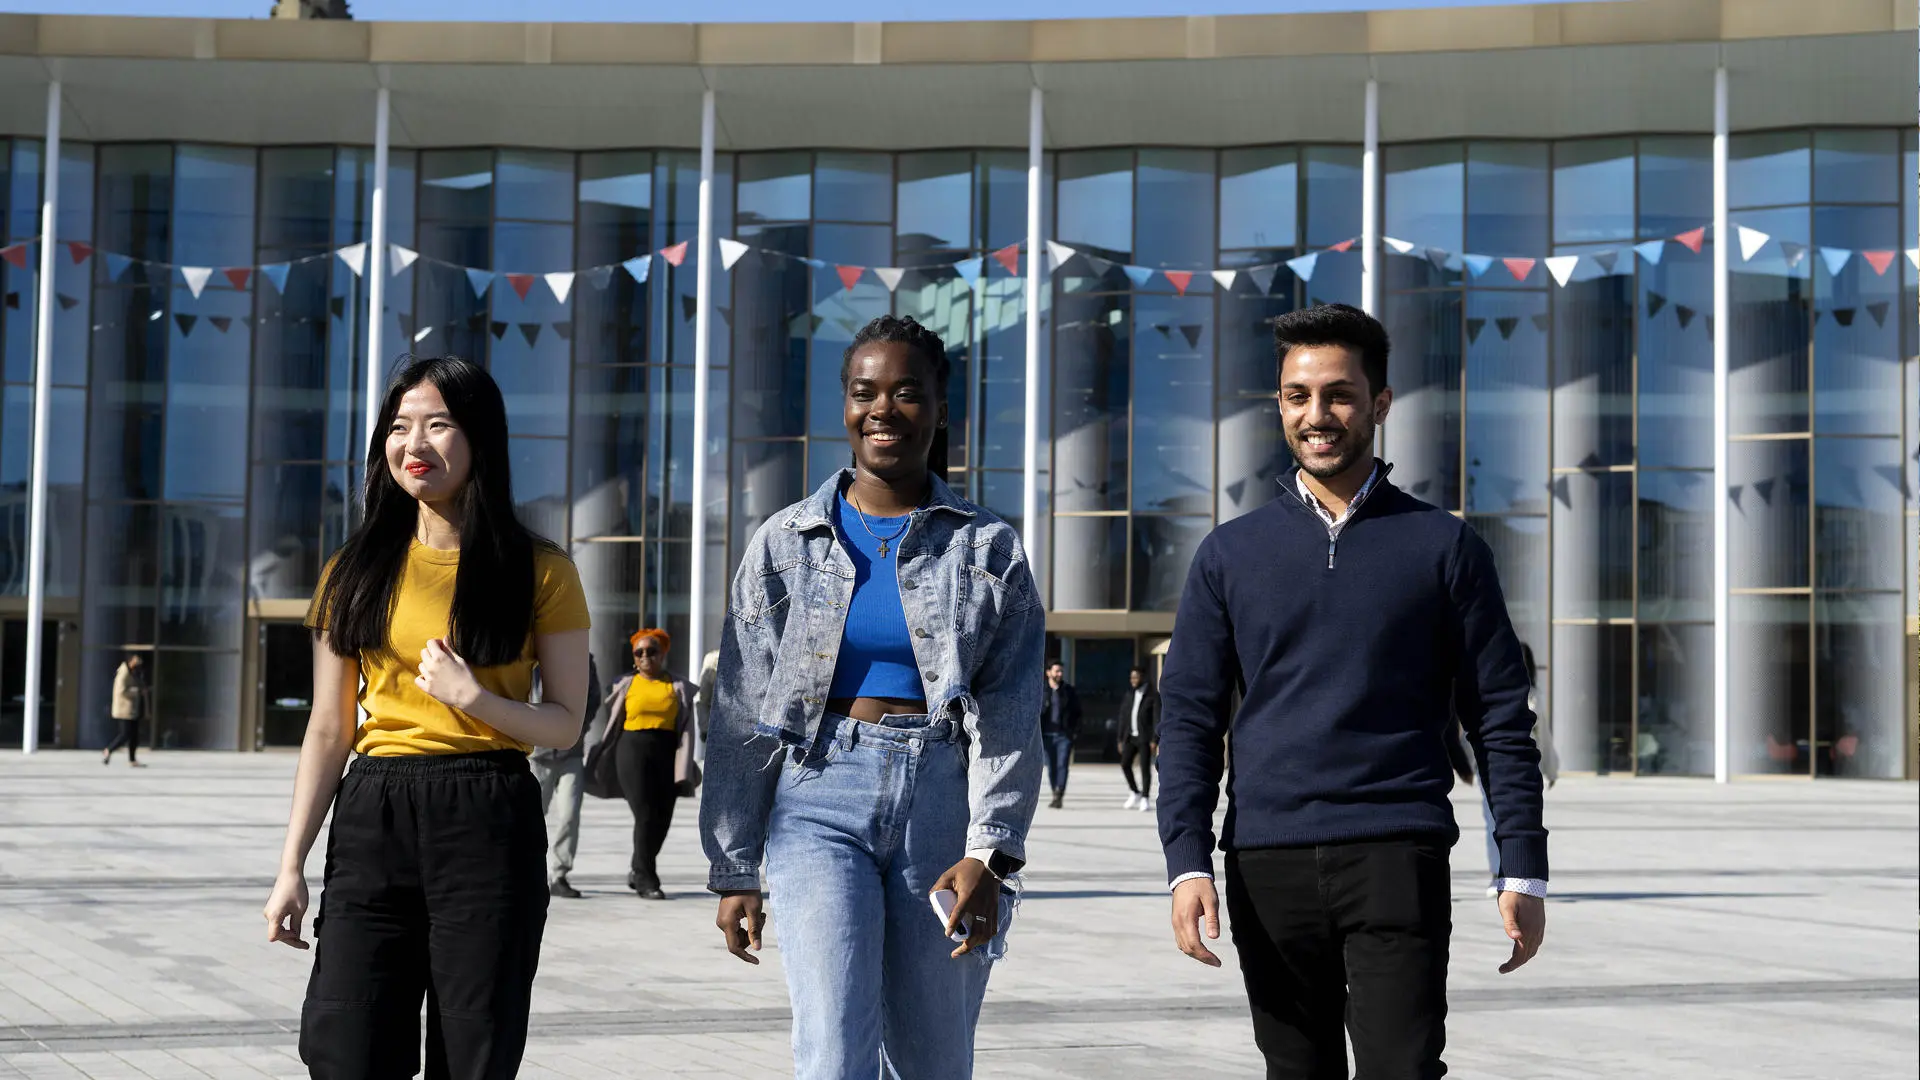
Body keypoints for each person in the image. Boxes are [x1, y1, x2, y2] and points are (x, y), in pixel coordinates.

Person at [1156, 304, 1548, 1078]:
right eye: (1298, 396)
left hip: (1396, 850)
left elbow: (1500, 718)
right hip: (1267, 861)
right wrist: (1187, 862)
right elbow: (1190, 720)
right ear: (1279, 406)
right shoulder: (1228, 555)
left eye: (1338, 394)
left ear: (1379, 404)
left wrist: (1522, 866)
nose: (1317, 415)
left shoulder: (1445, 547)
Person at [702, 314, 1043, 1079]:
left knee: (933, 1057)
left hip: (941, 799)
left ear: (941, 409)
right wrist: (733, 868)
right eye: (864, 393)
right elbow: (741, 715)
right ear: (845, 406)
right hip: (817, 796)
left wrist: (989, 853)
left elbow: (1014, 712)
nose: (882, 409)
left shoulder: (987, 547)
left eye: (906, 393)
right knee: (833, 1048)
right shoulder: (785, 542)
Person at [260, 356, 592, 1080]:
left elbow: (567, 723)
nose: (416, 443)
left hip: (487, 810)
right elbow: (328, 729)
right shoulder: (352, 570)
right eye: (400, 425)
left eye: (439, 424)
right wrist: (291, 866)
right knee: (343, 1043)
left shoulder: (540, 570)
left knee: (474, 1047)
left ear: (480, 439)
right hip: (374, 807)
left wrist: (477, 700)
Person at [584, 629, 699, 900]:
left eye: (652, 651)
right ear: (634, 658)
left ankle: (637, 869)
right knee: (645, 814)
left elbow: (685, 726)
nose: (646, 656)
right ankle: (648, 879)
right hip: (631, 752)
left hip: (668, 753)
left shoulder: (678, 686)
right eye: (640, 652)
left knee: (663, 817)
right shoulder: (626, 684)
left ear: (663, 654)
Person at [529, 654, 603, 899]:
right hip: (538, 752)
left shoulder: (582, 659)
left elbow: (593, 698)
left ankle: (559, 874)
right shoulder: (528, 658)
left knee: (570, 815)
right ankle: (527, 870)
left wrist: (578, 728)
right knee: (531, 816)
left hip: (571, 751)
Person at [1039, 660, 1082, 808]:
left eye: (1061, 671)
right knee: (1051, 767)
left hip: (1064, 735)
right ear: (1048, 672)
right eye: (1056, 671)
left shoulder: (1069, 691)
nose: (1059, 674)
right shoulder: (1042, 690)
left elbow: (1077, 713)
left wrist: (1074, 732)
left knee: (1062, 764)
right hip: (1046, 736)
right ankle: (1055, 792)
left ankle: (1059, 792)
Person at [1117, 664, 1159, 812]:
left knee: (1145, 768)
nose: (1133, 680)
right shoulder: (1129, 694)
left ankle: (1145, 798)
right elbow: (1123, 717)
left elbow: (1156, 719)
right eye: (1131, 677)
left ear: (1143, 677)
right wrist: (1120, 739)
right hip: (1130, 737)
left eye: (1136, 677)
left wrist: (1155, 739)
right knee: (1125, 764)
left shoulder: (1153, 696)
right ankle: (1135, 792)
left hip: (1145, 738)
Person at [102, 653, 150, 767]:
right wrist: (137, 691)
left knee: (134, 736)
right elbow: (122, 691)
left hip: (133, 709)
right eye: (136, 661)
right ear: (131, 661)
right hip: (124, 709)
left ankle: (132, 760)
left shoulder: (133, 673)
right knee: (125, 734)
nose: (138, 664)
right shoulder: (123, 673)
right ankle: (109, 750)